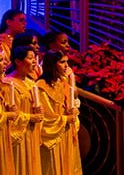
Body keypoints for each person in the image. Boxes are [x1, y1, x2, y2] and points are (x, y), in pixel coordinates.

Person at [37, 50, 83, 175]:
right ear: (52, 64)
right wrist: (65, 119)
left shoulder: (63, 83)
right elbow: (46, 116)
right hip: (52, 136)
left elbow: (70, 104)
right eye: (62, 62)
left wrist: (72, 112)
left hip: (66, 133)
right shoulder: (41, 86)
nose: (66, 66)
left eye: (67, 62)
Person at [5, 46, 44, 175]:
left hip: (31, 134)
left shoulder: (31, 83)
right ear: (18, 61)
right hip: (19, 136)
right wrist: (30, 117)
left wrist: (39, 112)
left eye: (35, 58)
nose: (34, 62)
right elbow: (11, 113)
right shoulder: (8, 84)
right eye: (30, 58)